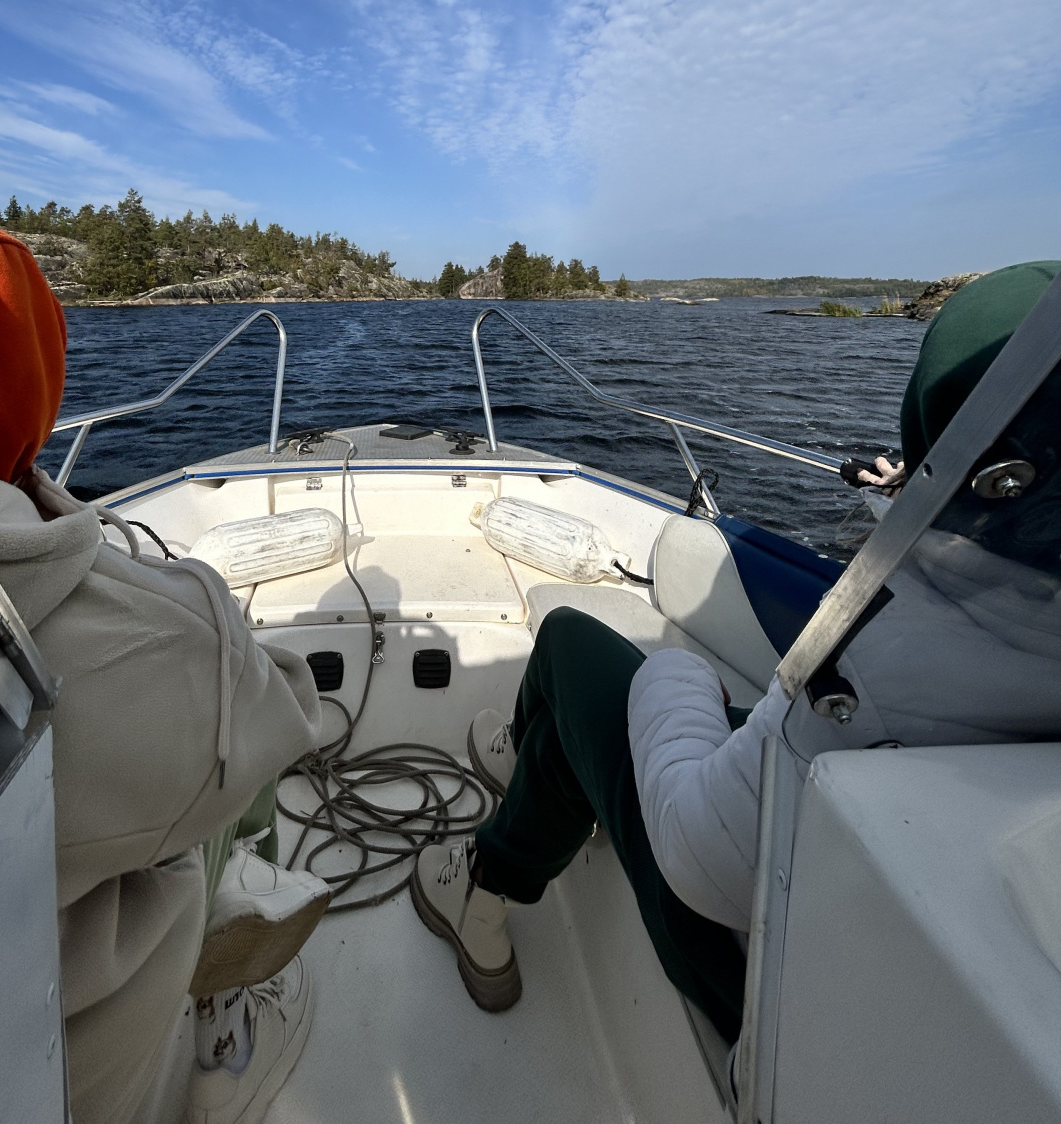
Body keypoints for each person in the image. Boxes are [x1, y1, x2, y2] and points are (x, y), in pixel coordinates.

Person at [411, 259, 1061, 1047]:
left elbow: (700, 854)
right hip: (847, 925)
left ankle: (484, 891)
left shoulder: (890, 662)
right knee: (579, 730)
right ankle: (538, 776)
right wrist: (912, 499)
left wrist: (673, 674)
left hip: (752, 965)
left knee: (566, 641)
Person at [0, 197, 328, 1124]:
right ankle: (225, 1029)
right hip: (66, 1076)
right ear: (15, 381)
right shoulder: (149, 645)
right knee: (228, 776)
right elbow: (283, 717)